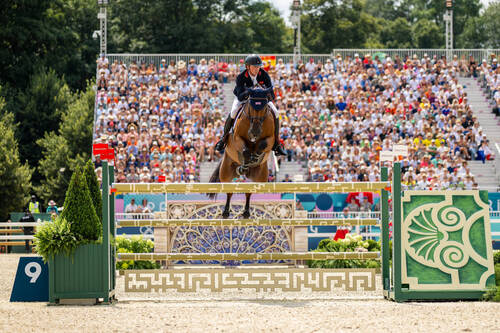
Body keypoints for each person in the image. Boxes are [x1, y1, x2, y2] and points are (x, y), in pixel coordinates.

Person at [215, 54, 286, 156]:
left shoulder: (264, 75)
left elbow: (272, 94)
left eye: (258, 66)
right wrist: (248, 93)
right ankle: (224, 138)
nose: (257, 69)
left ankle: (277, 143)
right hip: (244, 99)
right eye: (254, 66)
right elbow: (239, 96)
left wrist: (265, 93)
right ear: (248, 66)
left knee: (276, 112)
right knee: (234, 112)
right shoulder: (241, 77)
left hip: (261, 99)